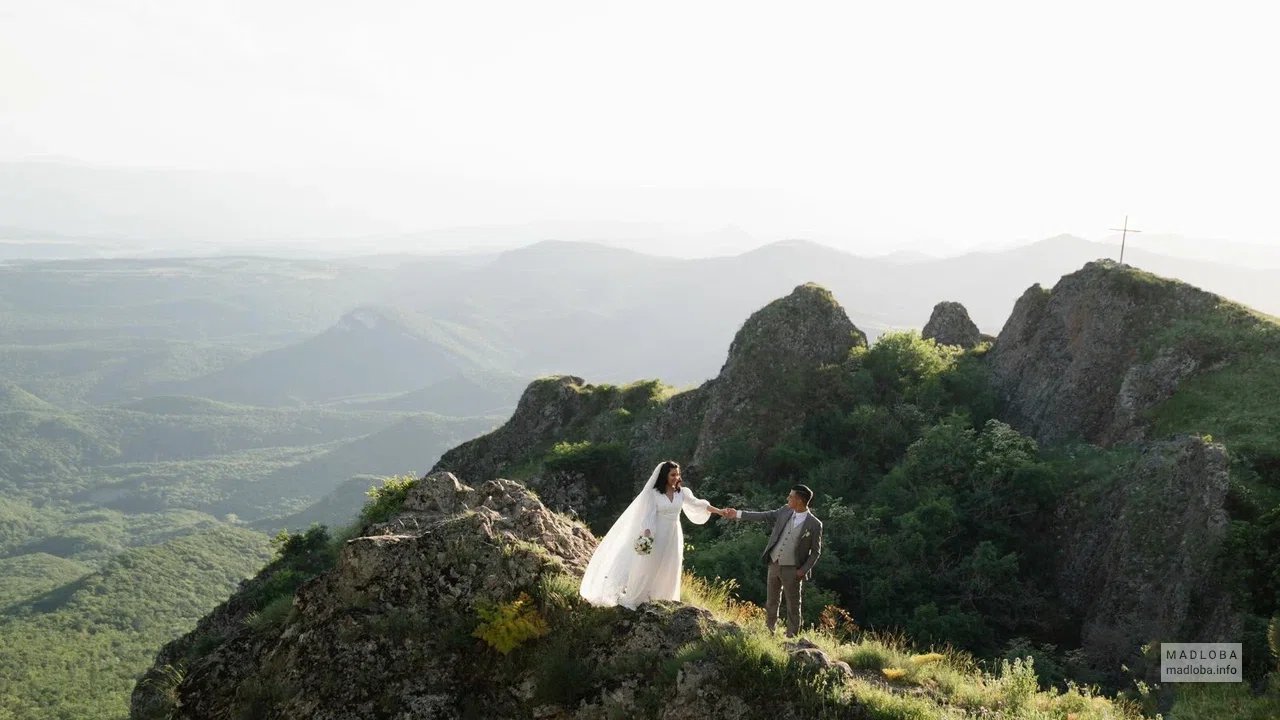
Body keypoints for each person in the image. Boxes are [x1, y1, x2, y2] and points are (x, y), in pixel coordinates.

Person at [579, 460, 726, 608]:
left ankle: (665, 599)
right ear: (664, 476)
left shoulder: (682, 493)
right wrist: (646, 537)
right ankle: (637, 598)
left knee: (670, 566)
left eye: (678, 474)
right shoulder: (654, 494)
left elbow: (699, 504)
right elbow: (648, 518)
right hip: (658, 534)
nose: (676, 477)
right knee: (649, 565)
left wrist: (719, 511)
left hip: (674, 534)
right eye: (672, 475)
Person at [722, 485, 823, 637]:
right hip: (774, 562)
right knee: (771, 602)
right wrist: (737, 514)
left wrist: (803, 570)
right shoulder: (784, 510)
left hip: (793, 569)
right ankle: (769, 633)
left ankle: (792, 639)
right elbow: (763, 515)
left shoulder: (815, 524)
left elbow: (816, 552)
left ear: (800, 500)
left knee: (793, 606)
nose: (787, 499)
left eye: (790, 496)